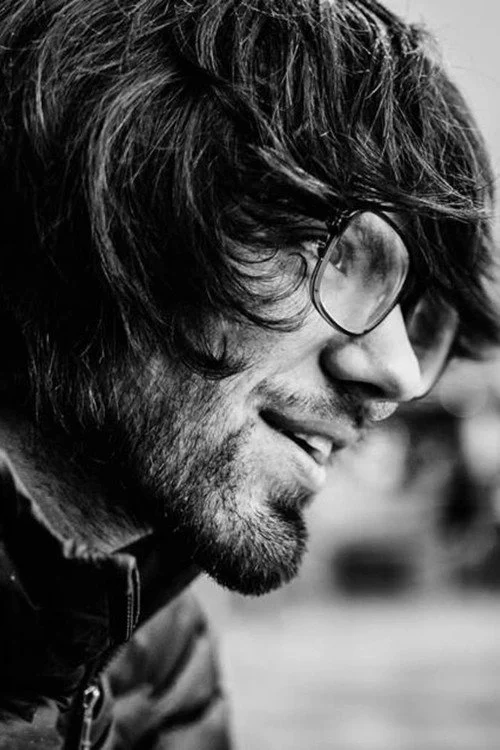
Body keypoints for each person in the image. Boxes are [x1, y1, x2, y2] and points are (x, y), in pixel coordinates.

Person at [0, 0, 498, 747]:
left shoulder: (157, 649)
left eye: (415, 313)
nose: (397, 374)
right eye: (339, 256)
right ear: (108, 201)